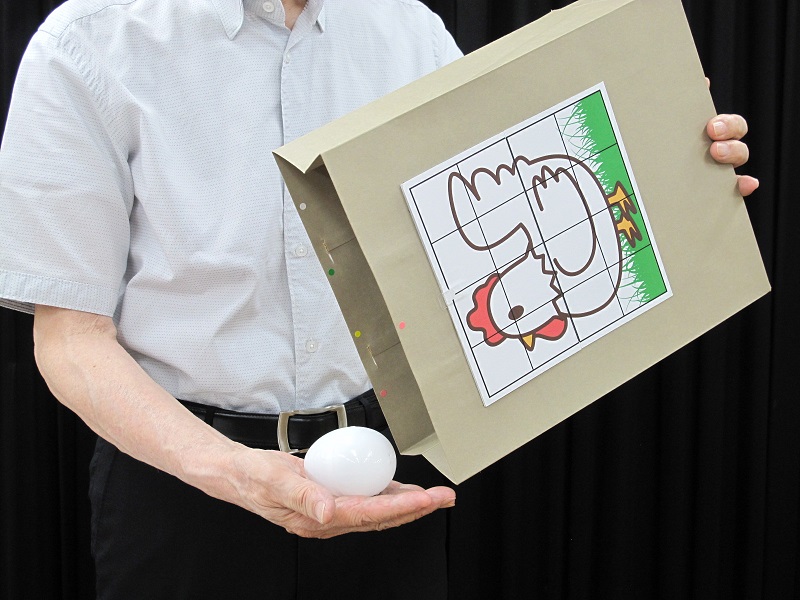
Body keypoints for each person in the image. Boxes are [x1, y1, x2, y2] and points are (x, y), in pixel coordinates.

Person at [0, 0, 756, 598]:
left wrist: (676, 169)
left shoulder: (410, 30)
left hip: (385, 475)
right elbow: (71, 339)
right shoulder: (89, 43)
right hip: (182, 492)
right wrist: (233, 470)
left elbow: (511, 211)